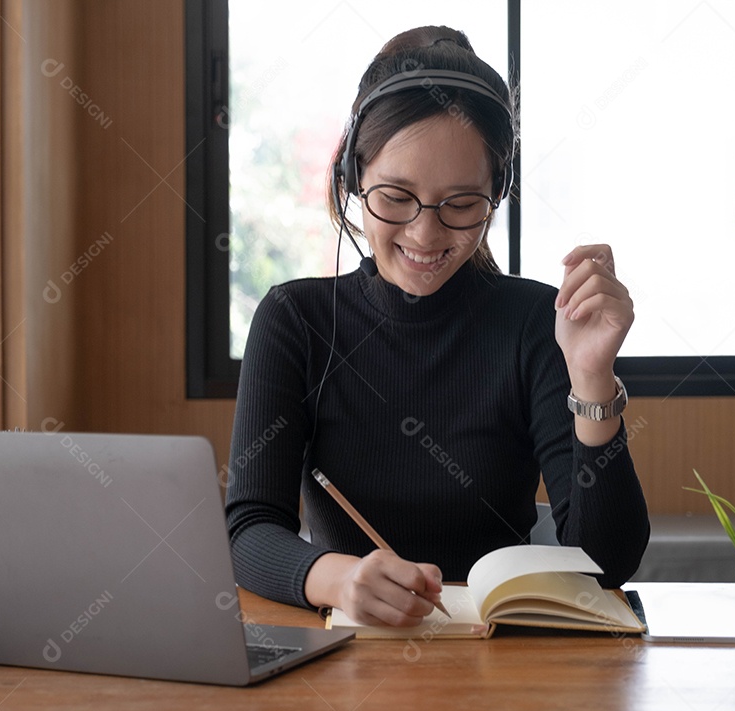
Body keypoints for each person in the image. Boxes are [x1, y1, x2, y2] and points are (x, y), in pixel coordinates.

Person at [225, 26, 649, 627]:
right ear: (353, 178)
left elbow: (608, 561)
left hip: (500, 661)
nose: (426, 236)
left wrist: (592, 377)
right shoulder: (295, 321)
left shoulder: (537, 323)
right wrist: (341, 579)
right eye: (396, 197)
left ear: (495, 195)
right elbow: (248, 530)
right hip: (350, 653)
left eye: (461, 204)